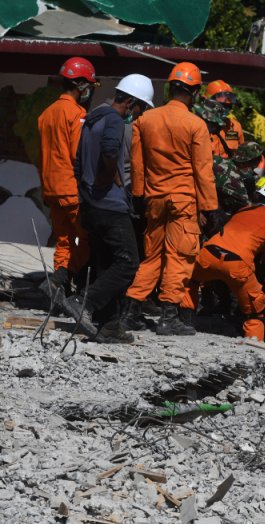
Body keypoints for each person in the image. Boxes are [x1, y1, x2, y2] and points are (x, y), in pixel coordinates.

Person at [119, 62, 222, 336]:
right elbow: (203, 171)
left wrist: (139, 196)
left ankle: (131, 311)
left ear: (170, 87)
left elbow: (137, 164)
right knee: (179, 257)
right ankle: (168, 317)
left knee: (151, 257)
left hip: (154, 199)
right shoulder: (196, 125)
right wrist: (211, 208)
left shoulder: (145, 120)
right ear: (195, 92)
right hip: (183, 201)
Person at [61, 74, 155, 342]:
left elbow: (78, 163)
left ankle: (108, 326)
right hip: (109, 206)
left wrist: (88, 191)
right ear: (131, 101)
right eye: (140, 108)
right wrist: (105, 183)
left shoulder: (93, 118)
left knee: (107, 263)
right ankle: (84, 303)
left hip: (91, 204)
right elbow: (111, 152)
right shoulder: (113, 120)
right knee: (128, 263)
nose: (139, 114)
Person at [188, 178, 265, 340]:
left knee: (192, 282)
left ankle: (184, 322)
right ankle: (254, 349)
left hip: (208, 254)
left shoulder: (243, 210)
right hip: (237, 264)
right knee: (255, 312)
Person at [37, 57, 98, 299]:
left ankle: (58, 283)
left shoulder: (46, 113)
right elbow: (78, 155)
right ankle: (66, 277)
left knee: (63, 239)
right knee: (88, 238)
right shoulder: (76, 114)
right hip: (71, 189)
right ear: (81, 85)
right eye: (89, 85)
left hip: (50, 189)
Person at [204, 80, 245, 158]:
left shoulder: (234, 126)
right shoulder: (197, 125)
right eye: (222, 100)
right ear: (209, 101)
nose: (226, 105)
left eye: (229, 101)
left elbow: (241, 156)